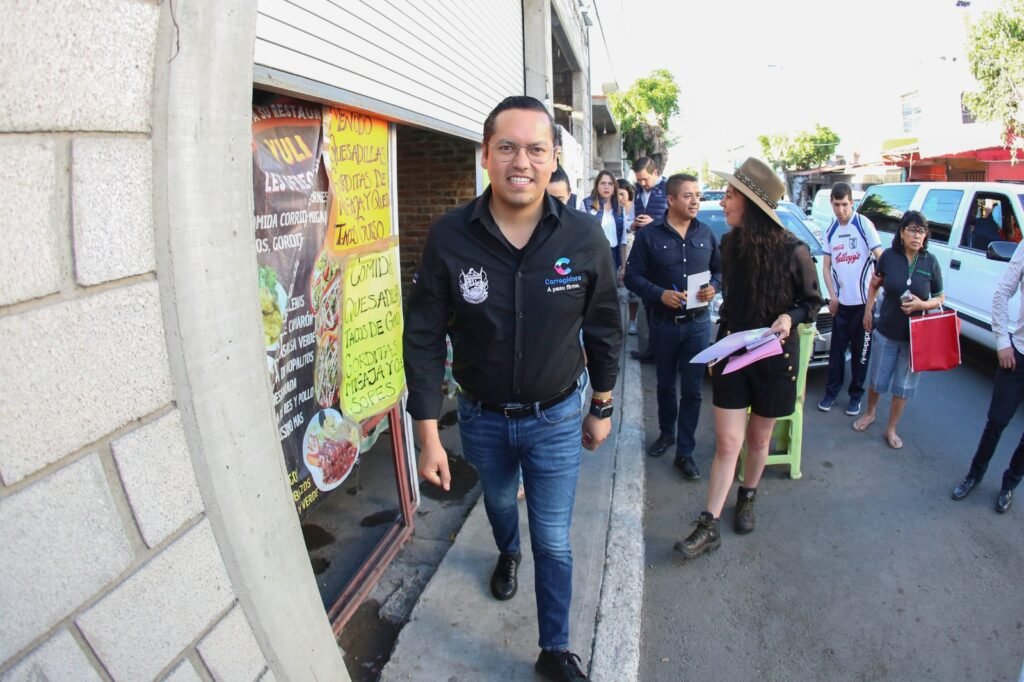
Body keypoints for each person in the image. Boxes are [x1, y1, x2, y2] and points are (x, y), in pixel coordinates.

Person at [403, 95, 622, 682]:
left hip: (557, 417)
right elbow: (423, 336)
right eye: (506, 147)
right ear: (485, 154)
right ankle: (506, 551)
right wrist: (428, 434)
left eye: (535, 149)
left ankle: (555, 650)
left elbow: (605, 326)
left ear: (552, 159)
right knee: (501, 505)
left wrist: (601, 405)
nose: (520, 161)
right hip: (482, 418)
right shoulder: (450, 236)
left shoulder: (583, 238)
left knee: (553, 539)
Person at [673, 157, 822, 560]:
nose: (722, 202)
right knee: (728, 442)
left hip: (774, 357)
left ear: (752, 204)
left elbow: (812, 302)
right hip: (733, 352)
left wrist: (789, 318)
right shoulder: (729, 244)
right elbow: (730, 296)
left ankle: (748, 496)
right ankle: (709, 524)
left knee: (758, 439)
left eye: (729, 195)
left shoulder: (794, 251)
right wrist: (717, 343)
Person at [624, 174, 720, 477]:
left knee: (693, 390)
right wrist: (659, 294)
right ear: (671, 200)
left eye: (698, 195)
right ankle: (667, 433)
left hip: (698, 325)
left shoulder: (706, 233)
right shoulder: (649, 236)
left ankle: (685, 452)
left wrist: (714, 287)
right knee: (665, 384)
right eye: (688, 195)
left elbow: (720, 271)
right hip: (664, 325)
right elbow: (631, 277)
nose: (695, 201)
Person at [853, 210, 945, 449]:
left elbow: (940, 297)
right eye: (912, 230)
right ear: (902, 233)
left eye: (921, 231)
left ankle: (891, 428)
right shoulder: (889, 257)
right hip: (886, 331)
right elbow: (875, 283)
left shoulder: (930, 262)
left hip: (915, 338)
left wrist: (922, 305)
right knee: (877, 379)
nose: (917, 235)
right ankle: (870, 412)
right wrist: (868, 309)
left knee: (904, 387)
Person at [951, 239, 1024, 513]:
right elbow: (1002, 292)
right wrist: (1003, 341)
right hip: (1018, 354)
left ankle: (1010, 484)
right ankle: (974, 474)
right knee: (996, 421)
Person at [818, 182, 883, 416]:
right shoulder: (831, 230)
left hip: (864, 306)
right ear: (831, 204)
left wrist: (873, 300)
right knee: (836, 354)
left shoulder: (863, 224)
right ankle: (831, 393)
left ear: (851, 203)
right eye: (836, 205)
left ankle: (856, 396)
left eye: (844, 204)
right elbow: (826, 267)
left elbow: (880, 258)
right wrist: (833, 296)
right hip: (842, 306)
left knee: (860, 355)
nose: (841, 210)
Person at [629, 157, 669, 363]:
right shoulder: (636, 191)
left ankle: (663, 351)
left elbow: (677, 220)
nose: (642, 183)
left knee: (661, 304)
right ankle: (652, 349)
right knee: (647, 301)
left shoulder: (669, 189)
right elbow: (630, 219)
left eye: (645, 179)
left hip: (662, 254)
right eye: (638, 179)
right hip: (642, 252)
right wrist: (634, 225)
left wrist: (655, 222)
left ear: (655, 173)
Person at [582, 170, 627, 272]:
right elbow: (581, 235)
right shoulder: (586, 204)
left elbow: (623, 240)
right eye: (603, 183)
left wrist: (624, 266)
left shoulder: (620, 208)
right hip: (593, 256)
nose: (606, 187)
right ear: (597, 186)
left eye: (610, 184)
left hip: (613, 256)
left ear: (614, 187)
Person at [617, 179, 639, 331]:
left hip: (633, 247)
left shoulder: (635, 206)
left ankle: (632, 321)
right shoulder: (613, 208)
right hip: (619, 248)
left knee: (633, 289)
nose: (620, 198)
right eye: (617, 194)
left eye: (622, 194)